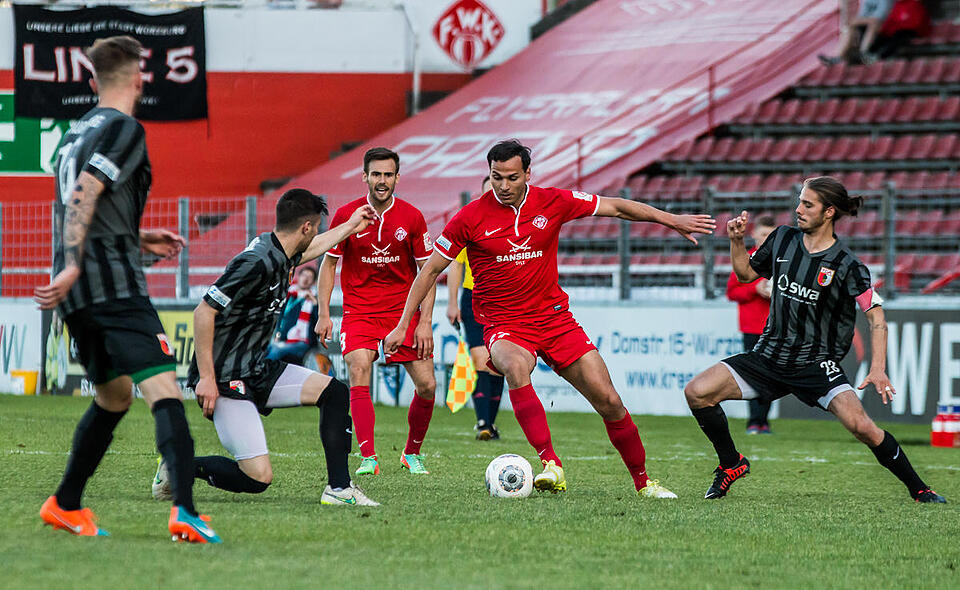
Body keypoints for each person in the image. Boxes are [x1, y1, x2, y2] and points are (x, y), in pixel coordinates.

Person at [386, 139, 716, 498]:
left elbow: (617, 207)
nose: (504, 186)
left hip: (555, 320)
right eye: (496, 177)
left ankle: (643, 482)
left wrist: (672, 220)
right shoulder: (469, 217)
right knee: (514, 366)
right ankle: (550, 464)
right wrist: (407, 323)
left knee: (609, 401)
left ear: (528, 173)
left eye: (512, 177)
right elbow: (430, 269)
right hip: (505, 325)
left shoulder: (553, 201)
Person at [33, 36, 221, 543]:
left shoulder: (74, 134)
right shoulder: (126, 128)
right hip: (110, 286)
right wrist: (76, 263)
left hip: (78, 291)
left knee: (115, 396)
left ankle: (65, 504)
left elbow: (80, 206)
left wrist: (135, 238)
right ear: (139, 80)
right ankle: (185, 509)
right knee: (166, 392)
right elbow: (86, 192)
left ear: (93, 81)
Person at [684, 176, 946, 503]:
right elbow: (746, 275)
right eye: (799, 202)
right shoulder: (782, 238)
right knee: (697, 392)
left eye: (807, 204)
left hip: (815, 363)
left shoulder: (847, 265)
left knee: (862, 426)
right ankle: (732, 464)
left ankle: (919, 489)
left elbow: (876, 316)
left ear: (829, 212)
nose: (798, 209)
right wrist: (736, 242)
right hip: (768, 356)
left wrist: (878, 368)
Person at [153, 189, 380, 507]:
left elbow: (312, 248)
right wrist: (206, 378)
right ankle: (179, 464)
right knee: (257, 478)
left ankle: (339, 490)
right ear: (305, 226)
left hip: (257, 369)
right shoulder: (256, 262)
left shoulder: (282, 251)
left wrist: (350, 227)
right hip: (225, 378)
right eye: (315, 226)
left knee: (335, 392)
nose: (315, 233)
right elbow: (204, 311)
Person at [315, 147, 438, 477]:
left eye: (388, 174)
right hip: (360, 311)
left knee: (427, 385)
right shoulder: (347, 215)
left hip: (403, 312)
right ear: (364, 176)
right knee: (358, 367)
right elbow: (328, 265)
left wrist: (424, 321)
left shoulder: (411, 217)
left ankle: (411, 453)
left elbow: (428, 272)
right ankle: (368, 456)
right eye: (376, 174)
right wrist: (324, 312)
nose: (382, 181)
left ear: (397, 177)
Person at [446, 175, 506, 440]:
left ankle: (490, 424)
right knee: (480, 360)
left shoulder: (512, 222)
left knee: (501, 364)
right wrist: (451, 302)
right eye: (486, 191)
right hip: (473, 297)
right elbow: (455, 264)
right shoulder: (470, 220)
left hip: (504, 299)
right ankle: (483, 422)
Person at [725, 214, 776, 434]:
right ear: (754, 234)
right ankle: (755, 421)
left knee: (772, 377)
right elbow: (732, 292)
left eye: (771, 235)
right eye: (763, 234)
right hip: (752, 328)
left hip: (776, 328)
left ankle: (762, 421)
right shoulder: (746, 259)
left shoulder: (780, 261)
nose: (766, 238)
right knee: (755, 375)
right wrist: (754, 289)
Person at [266, 266, 320, 364]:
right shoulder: (289, 295)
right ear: (298, 277)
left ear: (313, 282)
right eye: (304, 275)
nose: (306, 279)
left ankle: (264, 377)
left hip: (302, 342)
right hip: (282, 339)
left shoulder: (313, 300)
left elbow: (318, 324)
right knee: (266, 348)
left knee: (276, 350)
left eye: (309, 277)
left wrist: (315, 304)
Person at [819, 0, 895, 65]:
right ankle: (838, 57)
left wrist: (856, 21)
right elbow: (862, 15)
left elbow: (880, 17)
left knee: (874, 24)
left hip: (884, 26)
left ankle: (863, 52)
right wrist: (854, 22)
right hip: (867, 23)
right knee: (849, 27)